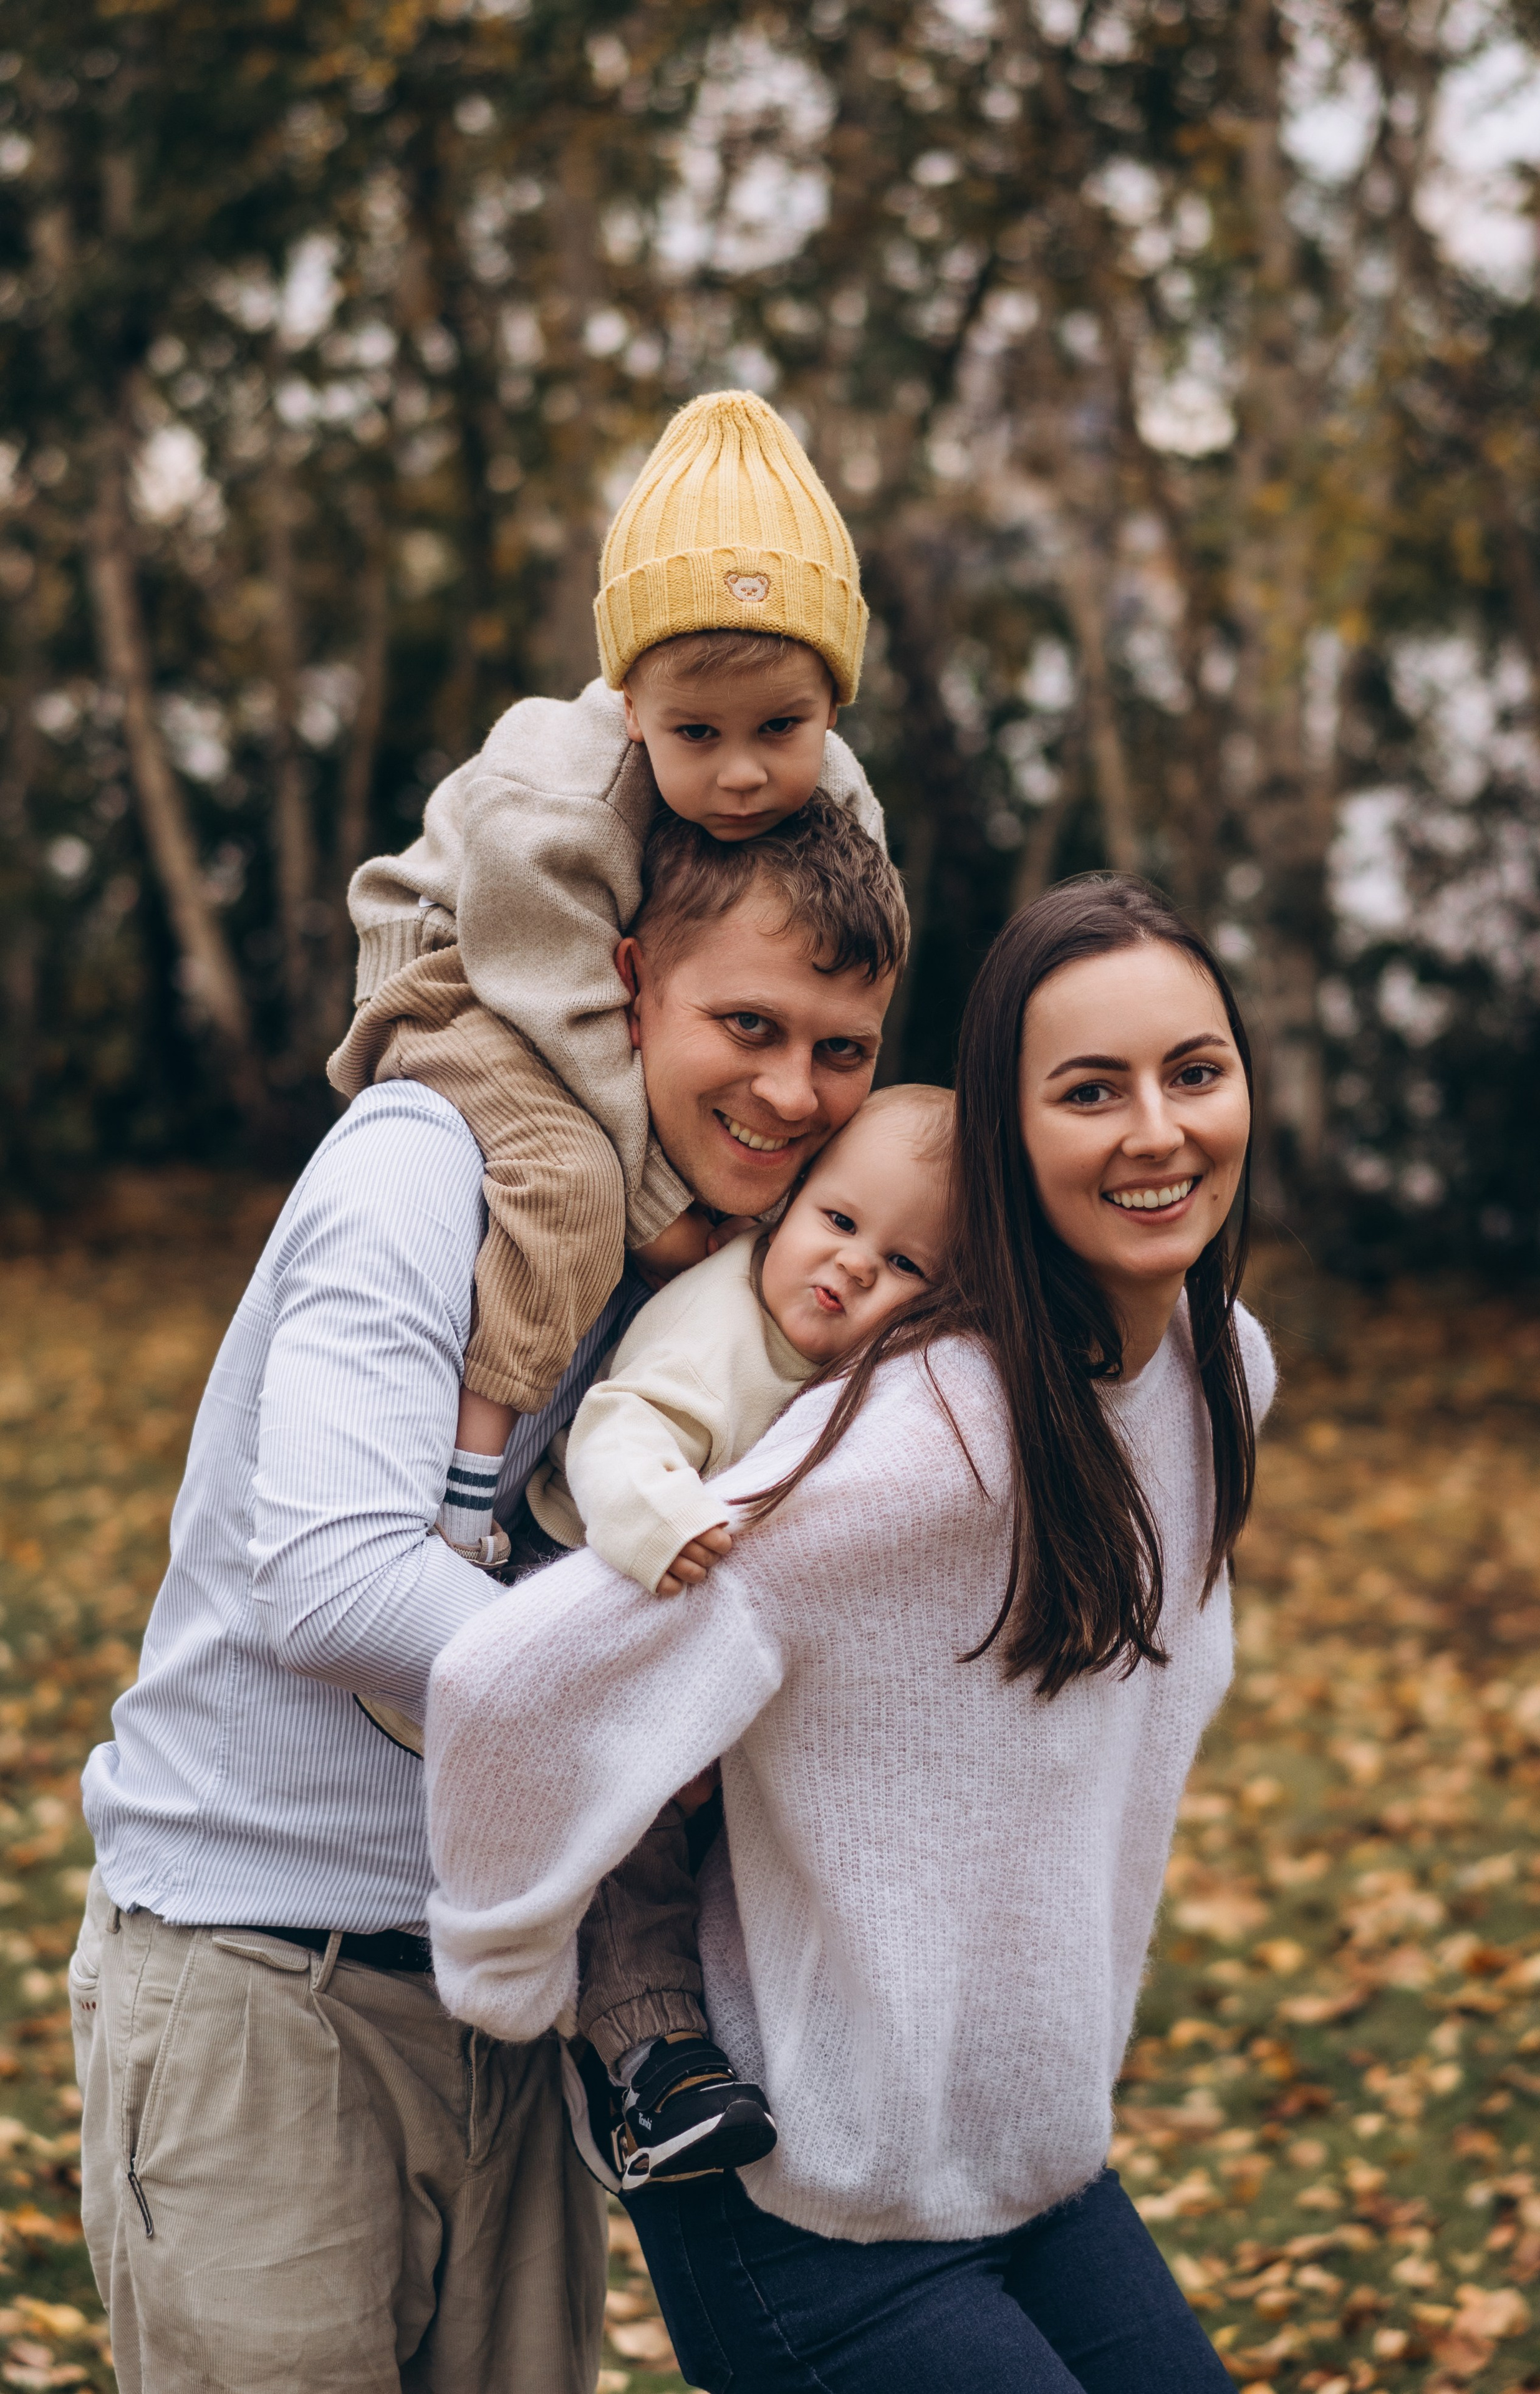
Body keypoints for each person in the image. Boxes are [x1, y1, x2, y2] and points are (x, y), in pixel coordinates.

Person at [70, 800, 907, 2394]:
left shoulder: (726, 1257)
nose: (793, 1092)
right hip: (267, 1978)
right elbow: (328, 1581)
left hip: (513, 1991)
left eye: (841, 1048)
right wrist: (669, 1694)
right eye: (748, 1024)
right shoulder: (425, 1162)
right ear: (625, 982)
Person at [423, 873, 1276, 2392]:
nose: (1156, 1130)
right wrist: (505, 1963)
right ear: (1007, 1151)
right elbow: (513, 1682)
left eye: (1192, 1072)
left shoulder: (1217, 1373)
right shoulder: (917, 1444)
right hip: (805, 2195)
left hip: (1032, 2160)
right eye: (1090, 1091)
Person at [329, 385, 882, 1579]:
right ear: (631, 707)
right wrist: (655, 1210)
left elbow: (856, 948)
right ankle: (466, 1502)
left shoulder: (834, 790)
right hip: (466, 981)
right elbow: (563, 1003)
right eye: (697, 735)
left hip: (595, 986)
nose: (742, 774)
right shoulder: (557, 796)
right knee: (575, 1180)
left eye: (780, 728)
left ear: (836, 703)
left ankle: (630, 1483)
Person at [367, 1083, 955, 2197]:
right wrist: (661, 1519)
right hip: (590, 1569)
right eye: (838, 1221)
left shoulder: (854, 1355)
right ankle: (652, 2064)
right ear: (785, 1210)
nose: (856, 1267)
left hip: (697, 1617)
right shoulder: (719, 1327)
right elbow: (620, 1430)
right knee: (628, 1836)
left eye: (909, 1266)